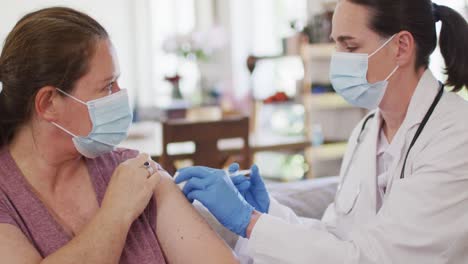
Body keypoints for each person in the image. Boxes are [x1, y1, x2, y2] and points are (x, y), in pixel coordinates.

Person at [175, 1, 468, 263]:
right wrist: (267, 212)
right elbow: (336, 239)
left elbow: (376, 258)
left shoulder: (455, 135)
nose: (337, 59)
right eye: (336, 45)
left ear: (401, 47)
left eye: (349, 46)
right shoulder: (367, 131)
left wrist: (249, 222)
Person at [0, 7, 239, 264]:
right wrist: (116, 212)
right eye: (107, 86)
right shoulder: (6, 196)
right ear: (48, 103)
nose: (120, 95)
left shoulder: (136, 171)